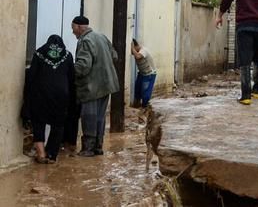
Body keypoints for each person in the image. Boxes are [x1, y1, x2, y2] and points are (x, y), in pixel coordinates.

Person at [21, 35, 76, 164]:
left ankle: (41, 154)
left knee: (38, 122)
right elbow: (72, 77)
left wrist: (27, 94)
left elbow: (31, 75)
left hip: (41, 94)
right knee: (58, 125)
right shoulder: (67, 55)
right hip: (61, 95)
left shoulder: (39, 53)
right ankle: (51, 155)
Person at [72, 16, 120, 157]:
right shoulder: (101, 37)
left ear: (80, 27)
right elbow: (114, 56)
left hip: (91, 87)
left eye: (73, 28)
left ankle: (88, 149)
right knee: (100, 117)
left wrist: (69, 72)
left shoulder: (85, 41)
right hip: (106, 85)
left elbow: (83, 66)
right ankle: (98, 147)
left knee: (89, 117)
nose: (72, 32)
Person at [131, 39, 157, 108]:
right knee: (137, 90)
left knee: (145, 93)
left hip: (149, 74)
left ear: (135, 46)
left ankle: (145, 107)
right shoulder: (136, 51)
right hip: (142, 73)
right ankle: (138, 106)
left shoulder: (143, 50)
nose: (131, 52)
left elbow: (138, 56)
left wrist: (132, 48)